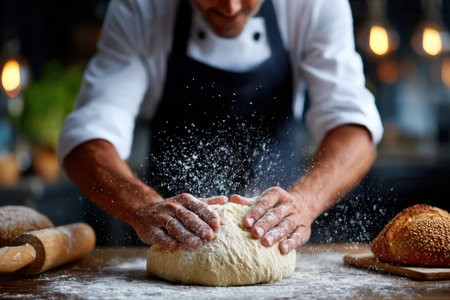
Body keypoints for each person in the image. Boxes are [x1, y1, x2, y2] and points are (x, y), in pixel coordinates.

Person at [58, 0, 383, 254]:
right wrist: (143, 207)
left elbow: (353, 125)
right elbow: (86, 139)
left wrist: (305, 203)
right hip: (169, 247)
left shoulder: (313, 5)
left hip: (276, 242)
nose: (230, 8)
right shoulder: (140, 7)